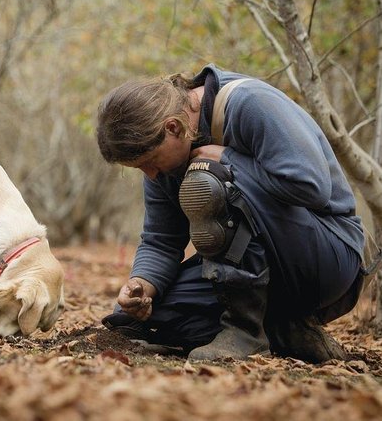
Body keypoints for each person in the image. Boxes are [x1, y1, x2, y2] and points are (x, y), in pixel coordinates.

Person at [96, 64, 369, 363]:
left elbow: (312, 187)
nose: (150, 175)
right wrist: (142, 283)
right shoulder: (164, 164)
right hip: (255, 274)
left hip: (328, 258)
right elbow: (161, 241)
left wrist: (229, 161)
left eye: (150, 162)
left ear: (173, 127)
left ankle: (245, 331)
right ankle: (284, 332)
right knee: (134, 320)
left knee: (209, 179)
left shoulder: (250, 103)